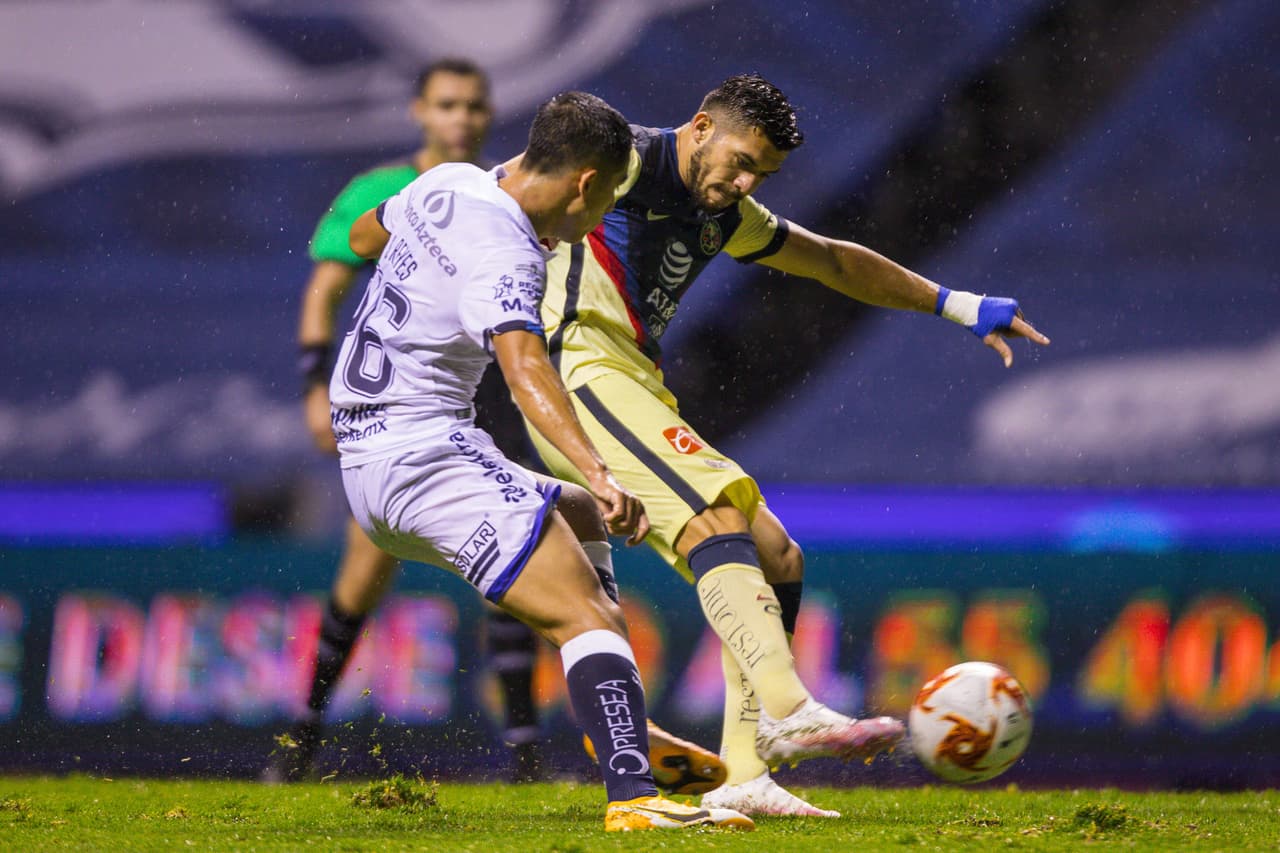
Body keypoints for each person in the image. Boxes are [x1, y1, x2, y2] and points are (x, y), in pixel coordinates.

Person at [526, 74, 1052, 817]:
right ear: (701, 126)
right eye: (739, 161)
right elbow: (519, 183)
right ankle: (790, 702)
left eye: (761, 175)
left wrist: (955, 303)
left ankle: (745, 771)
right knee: (717, 514)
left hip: (634, 382)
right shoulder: (627, 161)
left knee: (777, 558)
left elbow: (833, 259)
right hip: (577, 371)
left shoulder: (725, 212)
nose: (744, 182)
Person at [278, 58, 726, 793]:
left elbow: (362, 239)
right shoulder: (509, 252)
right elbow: (525, 371)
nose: (591, 225)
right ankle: (635, 792)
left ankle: (620, 721)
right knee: (586, 610)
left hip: (370, 458)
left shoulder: (446, 183)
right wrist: (602, 470)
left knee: (578, 520)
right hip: (421, 458)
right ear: (585, 185)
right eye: (603, 203)